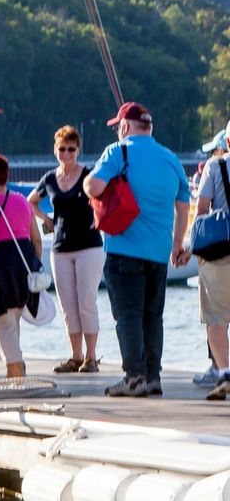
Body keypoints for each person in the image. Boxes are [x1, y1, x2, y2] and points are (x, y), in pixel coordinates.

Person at [85, 102, 191, 397]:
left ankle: (134, 377)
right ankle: (152, 375)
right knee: (152, 315)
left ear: (125, 127)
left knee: (128, 313)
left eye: (118, 126)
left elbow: (94, 187)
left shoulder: (119, 152)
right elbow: (183, 206)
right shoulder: (170, 158)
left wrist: (85, 182)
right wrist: (177, 243)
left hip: (124, 249)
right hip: (158, 253)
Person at [27, 126, 104, 373]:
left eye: (71, 149)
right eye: (62, 148)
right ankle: (75, 355)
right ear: (55, 150)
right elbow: (30, 202)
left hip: (88, 246)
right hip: (60, 247)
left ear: (78, 149)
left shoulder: (88, 175)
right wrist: (45, 219)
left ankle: (91, 357)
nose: (67, 153)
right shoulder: (50, 179)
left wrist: (99, 216)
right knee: (68, 304)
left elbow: (105, 196)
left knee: (86, 301)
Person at [0, 152, 42, 378]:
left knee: (2, 325)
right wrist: (35, 266)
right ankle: (15, 375)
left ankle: (16, 374)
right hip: (23, 269)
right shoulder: (23, 201)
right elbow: (37, 240)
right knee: (12, 322)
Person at [193, 125, 230, 401]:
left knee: (216, 317)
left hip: (220, 250)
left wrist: (195, 247)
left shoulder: (216, 166)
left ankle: (224, 372)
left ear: (227, 140)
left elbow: (202, 208)